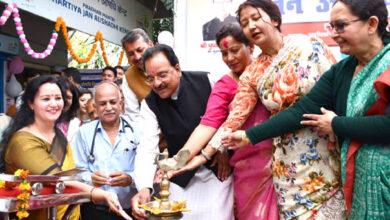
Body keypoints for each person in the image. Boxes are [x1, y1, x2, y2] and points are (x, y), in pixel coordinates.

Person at [223, 0, 390, 219]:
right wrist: (249, 135)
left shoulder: (385, 62)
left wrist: (336, 124)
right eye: (332, 27)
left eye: (341, 26)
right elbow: (301, 109)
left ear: (371, 24)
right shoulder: (343, 70)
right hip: (357, 179)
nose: (334, 34)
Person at [204, 0, 345, 219]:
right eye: (244, 22)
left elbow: (338, 91)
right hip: (287, 166)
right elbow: (234, 117)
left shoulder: (309, 45)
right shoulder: (254, 71)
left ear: (275, 19)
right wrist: (203, 154)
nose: (250, 26)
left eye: (256, 18)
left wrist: (342, 127)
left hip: (324, 151)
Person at [172, 23, 278, 219]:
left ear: (251, 47)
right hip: (247, 167)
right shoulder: (224, 85)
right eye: (224, 53)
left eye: (235, 50)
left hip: (280, 160)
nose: (229, 58)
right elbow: (209, 123)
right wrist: (180, 158)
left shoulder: (271, 73)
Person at [131, 44, 234, 220]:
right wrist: (144, 187)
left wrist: (222, 148)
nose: (157, 83)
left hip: (216, 172)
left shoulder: (208, 81)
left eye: (162, 75)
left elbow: (233, 116)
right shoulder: (149, 103)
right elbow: (147, 146)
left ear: (177, 69)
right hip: (179, 177)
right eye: (150, 78)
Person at [1, 76, 125, 220]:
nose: (54, 104)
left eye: (58, 98)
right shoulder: (23, 142)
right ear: (31, 103)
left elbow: (72, 174)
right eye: (46, 99)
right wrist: (99, 193)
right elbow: (58, 179)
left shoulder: (58, 134)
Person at [72, 81, 138, 220]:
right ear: (95, 107)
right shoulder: (84, 133)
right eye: (103, 104)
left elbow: (149, 168)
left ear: (121, 103)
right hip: (96, 210)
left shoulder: (137, 130)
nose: (108, 107)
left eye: (113, 102)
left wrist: (130, 179)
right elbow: (76, 171)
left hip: (133, 209)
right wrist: (90, 179)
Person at [120, 28, 153, 124]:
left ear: (150, 44)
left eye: (140, 50)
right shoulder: (128, 77)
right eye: (131, 54)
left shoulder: (168, 62)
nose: (137, 57)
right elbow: (133, 115)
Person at [57, 77, 80, 142]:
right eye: (60, 97)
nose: (64, 101)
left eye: (69, 98)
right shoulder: (41, 122)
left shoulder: (77, 124)